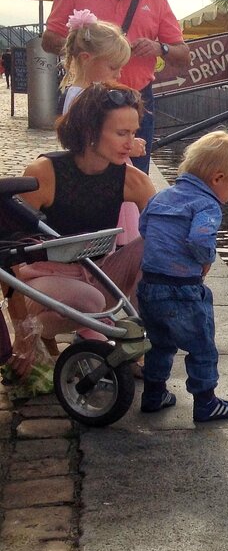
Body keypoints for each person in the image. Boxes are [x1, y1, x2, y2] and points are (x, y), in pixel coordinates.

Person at [7, 82, 156, 378]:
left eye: (134, 132)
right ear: (89, 131)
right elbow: (6, 254)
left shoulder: (133, 181)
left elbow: (167, 241)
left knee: (154, 243)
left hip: (99, 274)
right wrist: (22, 329)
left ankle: (138, 342)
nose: (132, 142)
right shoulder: (44, 173)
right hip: (44, 284)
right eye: (121, 133)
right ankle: (44, 336)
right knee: (91, 300)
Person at [42, 0, 190, 173]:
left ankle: (131, 212)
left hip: (136, 100)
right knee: (84, 174)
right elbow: (49, 39)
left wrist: (159, 47)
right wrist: (90, 51)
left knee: (133, 174)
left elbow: (184, 55)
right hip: (88, 99)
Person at [136, 131, 228, 422]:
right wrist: (206, 261)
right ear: (217, 178)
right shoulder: (207, 205)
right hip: (182, 290)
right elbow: (200, 241)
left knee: (159, 343)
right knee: (202, 346)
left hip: (150, 287)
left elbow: (144, 228)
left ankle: (153, 394)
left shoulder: (161, 197)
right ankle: (206, 402)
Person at [60, 9, 142, 246]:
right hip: (104, 173)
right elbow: (85, 140)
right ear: (87, 59)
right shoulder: (84, 97)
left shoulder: (81, 93)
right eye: (112, 67)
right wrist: (129, 146)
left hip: (106, 169)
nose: (118, 74)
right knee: (116, 234)